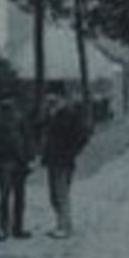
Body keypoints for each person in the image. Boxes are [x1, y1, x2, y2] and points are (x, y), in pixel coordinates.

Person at [40, 92, 91, 238]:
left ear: (62, 100)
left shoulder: (68, 116)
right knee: (54, 195)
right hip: (53, 161)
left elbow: (82, 137)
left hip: (63, 161)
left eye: (54, 101)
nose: (51, 104)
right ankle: (60, 224)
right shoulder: (52, 117)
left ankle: (65, 227)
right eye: (49, 101)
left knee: (61, 194)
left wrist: (70, 153)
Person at [0, 96, 33, 240]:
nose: (8, 102)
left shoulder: (19, 117)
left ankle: (16, 228)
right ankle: (5, 229)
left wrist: (29, 159)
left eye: (9, 99)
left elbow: (28, 138)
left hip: (18, 162)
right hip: (4, 162)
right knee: (5, 197)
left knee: (18, 197)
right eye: (5, 99)